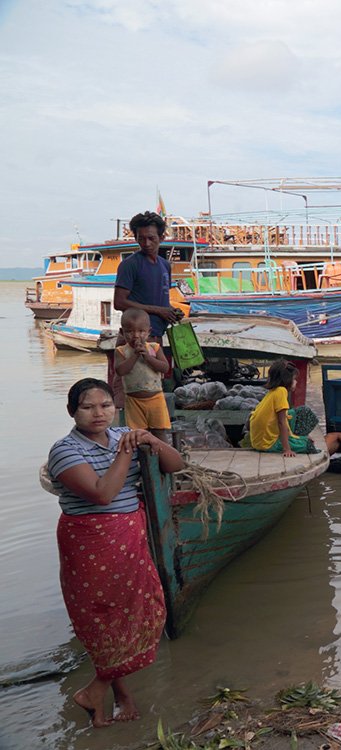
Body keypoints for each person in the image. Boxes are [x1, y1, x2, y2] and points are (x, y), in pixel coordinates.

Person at [48, 378, 185, 727]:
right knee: (104, 619)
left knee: (144, 612)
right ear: (72, 411)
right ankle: (108, 694)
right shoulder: (65, 450)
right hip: (90, 541)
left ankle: (105, 693)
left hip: (129, 536)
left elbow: (176, 465)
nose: (99, 413)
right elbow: (103, 494)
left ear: (116, 407)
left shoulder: (123, 435)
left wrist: (152, 440)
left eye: (105, 405)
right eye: (88, 407)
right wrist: (127, 451)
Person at [248, 359, 341, 457]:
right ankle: (297, 441)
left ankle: (298, 437)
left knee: (303, 412)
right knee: (309, 445)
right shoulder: (281, 391)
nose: (296, 382)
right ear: (287, 380)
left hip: (261, 440)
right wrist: (287, 449)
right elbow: (281, 423)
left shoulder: (274, 391)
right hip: (268, 444)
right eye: (294, 379)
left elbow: (281, 420)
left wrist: (296, 437)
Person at [113, 211, 184, 342]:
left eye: (151, 238)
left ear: (161, 238)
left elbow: (160, 303)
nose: (146, 243)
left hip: (157, 335)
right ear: (136, 238)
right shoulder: (129, 265)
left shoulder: (165, 265)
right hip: (135, 339)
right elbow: (119, 302)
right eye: (141, 238)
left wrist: (172, 311)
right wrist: (160, 311)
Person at [114, 308, 172, 443]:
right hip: (133, 401)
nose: (136, 336)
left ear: (149, 332)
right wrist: (135, 355)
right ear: (122, 333)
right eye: (130, 331)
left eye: (141, 331)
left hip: (156, 398)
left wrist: (148, 357)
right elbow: (120, 370)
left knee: (159, 431)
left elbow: (164, 368)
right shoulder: (121, 351)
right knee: (138, 434)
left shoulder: (154, 348)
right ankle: (142, 461)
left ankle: (164, 460)